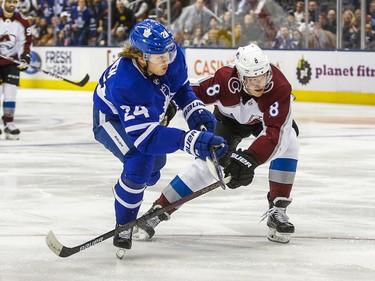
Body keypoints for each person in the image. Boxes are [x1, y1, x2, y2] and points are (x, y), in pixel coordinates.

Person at [134, 43, 300, 244]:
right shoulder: (224, 79)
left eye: (263, 77)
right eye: (253, 80)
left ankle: (278, 209)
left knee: (289, 139)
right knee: (207, 165)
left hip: (262, 124)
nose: (260, 84)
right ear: (240, 77)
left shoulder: (279, 87)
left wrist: (250, 158)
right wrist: (169, 103)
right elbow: (191, 90)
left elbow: (276, 135)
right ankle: (159, 209)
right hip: (228, 122)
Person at [92, 19, 228, 253]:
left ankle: (128, 188)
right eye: (159, 57)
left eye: (168, 52)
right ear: (139, 56)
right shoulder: (126, 82)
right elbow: (146, 139)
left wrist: (194, 110)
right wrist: (193, 141)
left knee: (154, 167)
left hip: (146, 112)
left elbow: (181, 88)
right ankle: (123, 222)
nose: (167, 60)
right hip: (110, 119)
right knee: (140, 160)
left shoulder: (171, 56)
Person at [0, 0, 32, 140]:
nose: (12, 4)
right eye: (9, 1)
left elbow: (26, 43)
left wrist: (25, 57)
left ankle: (9, 123)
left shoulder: (23, 22)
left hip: (10, 61)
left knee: (11, 92)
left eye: (14, 2)